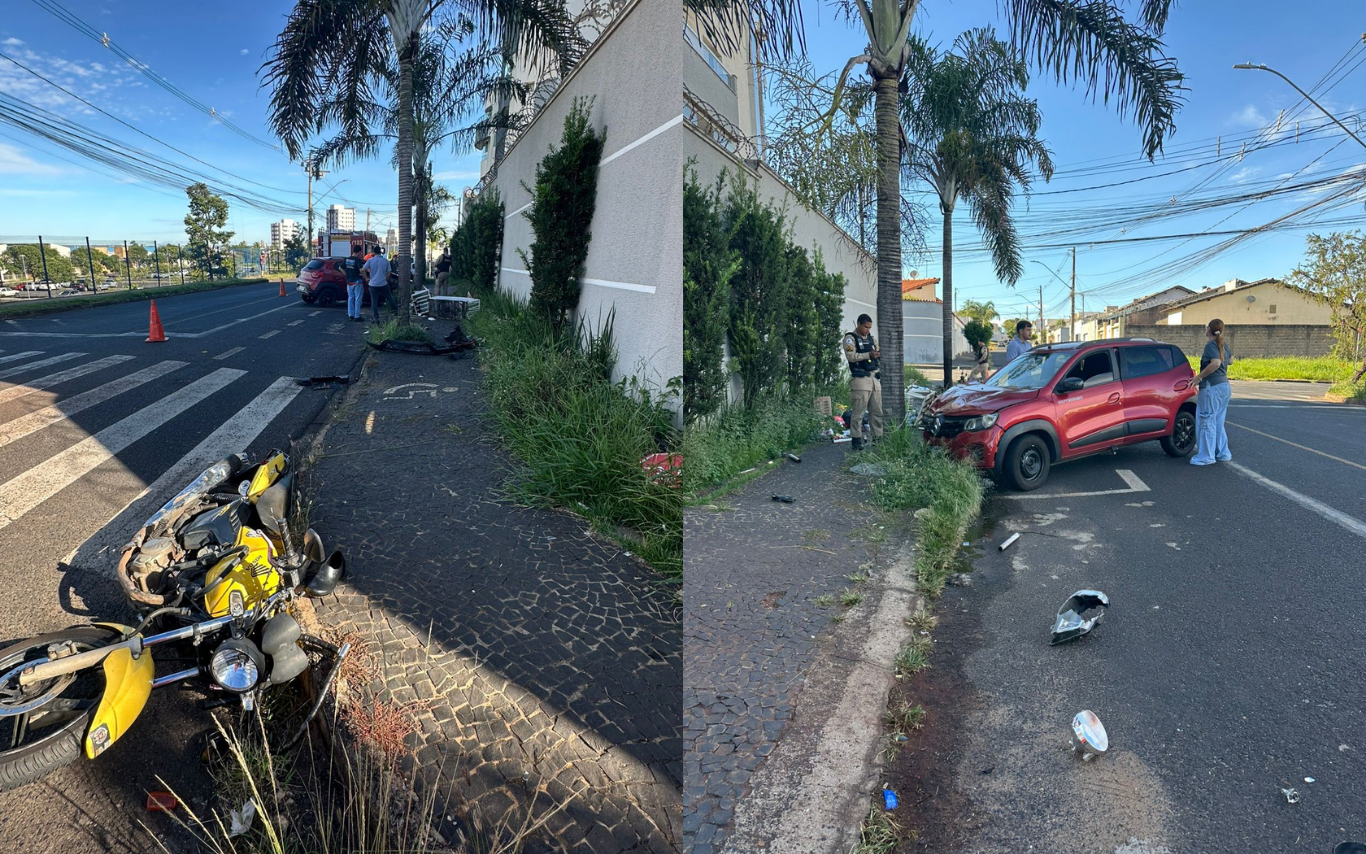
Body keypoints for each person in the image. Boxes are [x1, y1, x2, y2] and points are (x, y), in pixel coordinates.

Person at [1190, 318, 1233, 466]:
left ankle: (1206, 456)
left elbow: (1216, 363)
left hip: (1211, 387)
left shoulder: (1211, 345)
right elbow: (1231, 361)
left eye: (1206, 327)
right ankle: (1223, 453)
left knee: (1206, 420)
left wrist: (1199, 377)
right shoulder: (1223, 345)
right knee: (1218, 421)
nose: (1205, 329)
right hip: (1224, 386)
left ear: (1209, 329)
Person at [842, 314, 884, 451]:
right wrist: (868, 355)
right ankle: (856, 439)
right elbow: (851, 356)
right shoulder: (850, 338)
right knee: (858, 412)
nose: (867, 330)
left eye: (869, 327)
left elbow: (877, 349)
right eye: (865, 327)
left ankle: (878, 438)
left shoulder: (871, 338)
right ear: (858, 324)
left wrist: (877, 354)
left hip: (874, 378)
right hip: (860, 379)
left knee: (877, 411)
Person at [361, 246, 396, 324]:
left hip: (373, 284)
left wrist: (366, 278)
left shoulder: (370, 261)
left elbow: (363, 270)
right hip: (383, 283)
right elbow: (389, 272)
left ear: (374, 252)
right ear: (380, 252)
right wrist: (386, 279)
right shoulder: (385, 261)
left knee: (374, 301)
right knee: (390, 297)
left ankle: (376, 318)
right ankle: (396, 312)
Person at [342, 245, 366, 322]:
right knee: (358, 299)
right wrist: (366, 274)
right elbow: (361, 270)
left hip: (349, 282)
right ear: (359, 252)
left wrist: (346, 274)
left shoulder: (347, 259)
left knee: (350, 298)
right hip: (357, 281)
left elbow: (340, 268)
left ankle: (350, 315)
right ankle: (357, 316)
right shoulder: (357, 260)